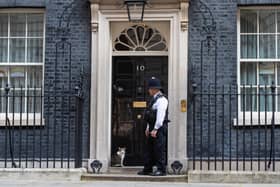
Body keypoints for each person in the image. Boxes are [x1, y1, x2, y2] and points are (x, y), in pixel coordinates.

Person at [137, 77, 168, 176]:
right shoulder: (154, 99)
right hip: (151, 127)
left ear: (155, 89)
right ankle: (148, 168)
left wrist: (155, 128)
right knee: (149, 149)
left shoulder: (162, 100)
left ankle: (161, 169)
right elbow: (149, 115)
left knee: (159, 149)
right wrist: (147, 128)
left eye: (150, 88)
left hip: (158, 128)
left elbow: (160, 116)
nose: (148, 90)